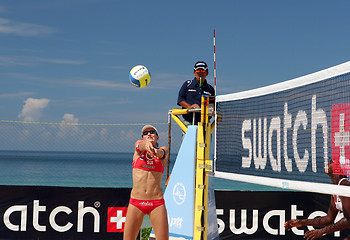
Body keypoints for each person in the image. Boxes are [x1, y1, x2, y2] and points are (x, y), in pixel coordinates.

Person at [123, 125, 169, 240]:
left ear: (157, 137)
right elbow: (139, 145)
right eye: (145, 133)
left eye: (152, 132)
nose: (149, 134)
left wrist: (155, 151)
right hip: (136, 203)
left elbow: (163, 152)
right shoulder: (138, 150)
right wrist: (146, 146)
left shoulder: (162, 151)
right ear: (143, 137)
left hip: (156, 203)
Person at [284, 162, 350, 240]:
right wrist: (301, 222)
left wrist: (321, 231)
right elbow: (328, 219)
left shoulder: (344, 185)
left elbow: (348, 219)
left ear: (338, 168)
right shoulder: (335, 188)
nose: (327, 163)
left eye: (331, 162)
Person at [177, 61, 215, 126]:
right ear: (194, 73)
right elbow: (180, 100)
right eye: (198, 71)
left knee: (205, 136)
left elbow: (212, 104)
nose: (200, 73)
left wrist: (212, 109)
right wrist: (190, 107)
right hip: (189, 122)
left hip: (205, 124)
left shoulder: (210, 89)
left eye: (202, 71)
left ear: (207, 73)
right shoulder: (188, 84)